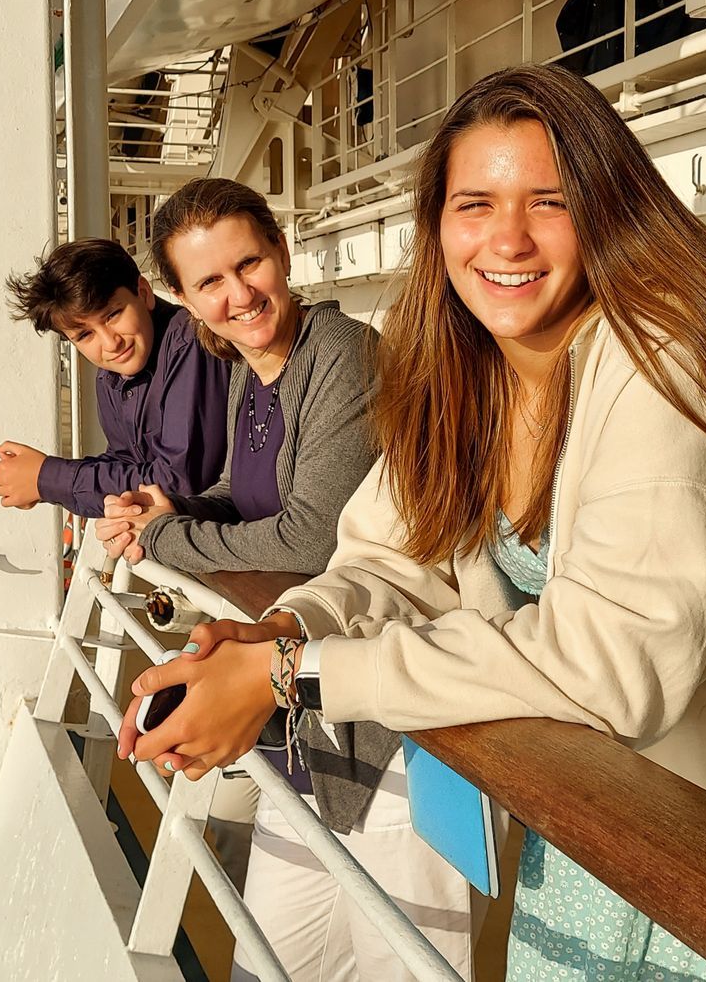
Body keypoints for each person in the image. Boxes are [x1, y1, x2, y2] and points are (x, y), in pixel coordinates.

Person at [121, 65, 706, 980]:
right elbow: (390, 556)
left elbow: (617, 661)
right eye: (474, 204)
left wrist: (290, 677)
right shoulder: (472, 369)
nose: (507, 239)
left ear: (609, 209)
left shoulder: (670, 360)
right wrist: (284, 628)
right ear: (438, 223)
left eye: (550, 202)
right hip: (601, 803)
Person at [98, 177, 474, 982]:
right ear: (182, 298)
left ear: (282, 250)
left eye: (250, 263)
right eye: (210, 282)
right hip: (301, 710)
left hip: (396, 727)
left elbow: (312, 535)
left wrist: (167, 535)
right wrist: (169, 511)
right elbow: (245, 494)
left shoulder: (343, 359)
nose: (239, 294)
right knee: (273, 960)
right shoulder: (249, 368)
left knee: (400, 964)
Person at [0, 236, 228, 517]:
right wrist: (43, 481)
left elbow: (181, 480)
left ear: (143, 293)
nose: (110, 343)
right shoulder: (110, 378)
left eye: (113, 314)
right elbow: (127, 462)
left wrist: (47, 479)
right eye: (85, 335)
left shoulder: (189, 345)